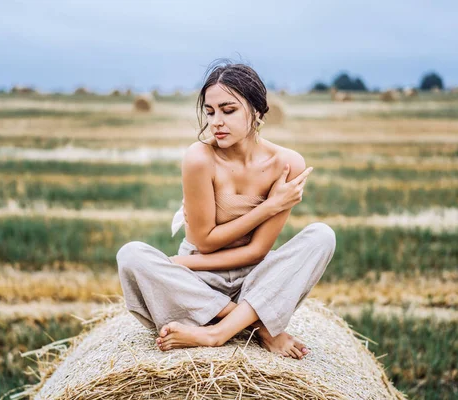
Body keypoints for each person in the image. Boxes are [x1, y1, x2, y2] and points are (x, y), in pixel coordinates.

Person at [117, 60, 336, 360]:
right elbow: (204, 241)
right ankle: (258, 326)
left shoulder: (287, 164)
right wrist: (270, 206)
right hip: (201, 277)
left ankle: (215, 332)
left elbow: (258, 251)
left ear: (257, 110)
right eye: (210, 112)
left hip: (257, 279)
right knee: (130, 255)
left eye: (228, 110)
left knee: (322, 236)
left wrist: (179, 262)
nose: (216, 121)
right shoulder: (199, 158)